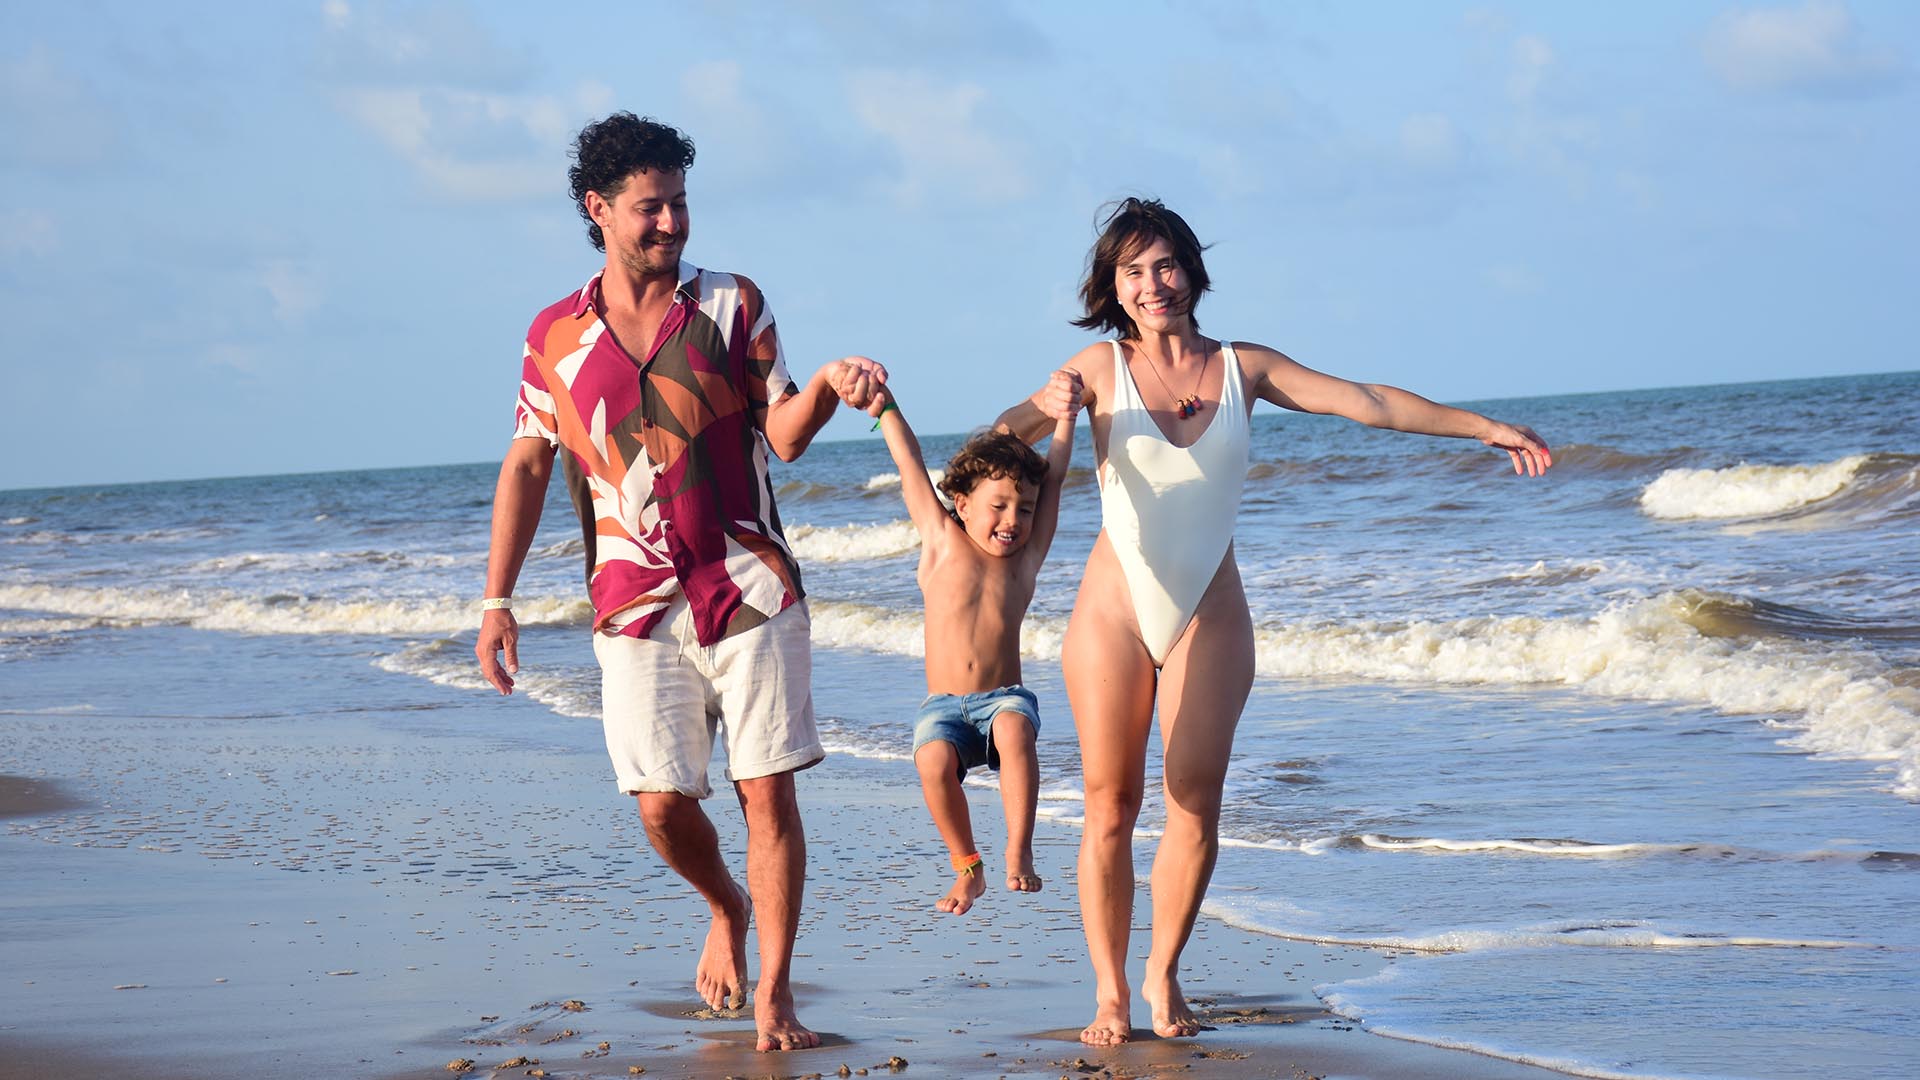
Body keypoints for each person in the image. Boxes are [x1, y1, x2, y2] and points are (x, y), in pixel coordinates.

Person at [995, 198, 1552, 1046]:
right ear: (1112, 287)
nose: (1154, 285)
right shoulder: (1099, 369)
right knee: (1111, 803)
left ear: (1193, 269)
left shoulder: (1241, 367)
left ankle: (1163, 969)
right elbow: (1001, 438)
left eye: (1166, 264)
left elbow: (1364, 401)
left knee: (1193, 800)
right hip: (1113, 611)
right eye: (1133, 272)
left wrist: (1481, 427)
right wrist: (1039, 407)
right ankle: (1109, 992)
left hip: (1209, 611)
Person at [473, 112, 884, 1053]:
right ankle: (724, 905)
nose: (670, 224)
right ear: (600, 210)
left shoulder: (734, 304)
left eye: (680, 205)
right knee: (661, 804)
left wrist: (824, 383)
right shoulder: (555, 336)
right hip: (632, 603)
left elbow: (781, 433)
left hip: (750, 583)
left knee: (768, 794)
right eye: (650, 208)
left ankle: (776, 994)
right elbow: (529, 465)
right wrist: (497, 601)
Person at [868, 373, 1081, 915]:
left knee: (1013, 729)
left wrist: (1067, 419)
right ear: (961, 503)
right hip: (943, 707)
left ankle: (1019, 848)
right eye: (1000, 505)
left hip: (1004, 698)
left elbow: (1054, 481)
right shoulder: (940, 542)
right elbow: (909, 465)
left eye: (1025, 510)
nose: (1014, 521)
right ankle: (968, 866)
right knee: (933, 763)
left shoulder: (1026, 563)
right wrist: (885, 406)